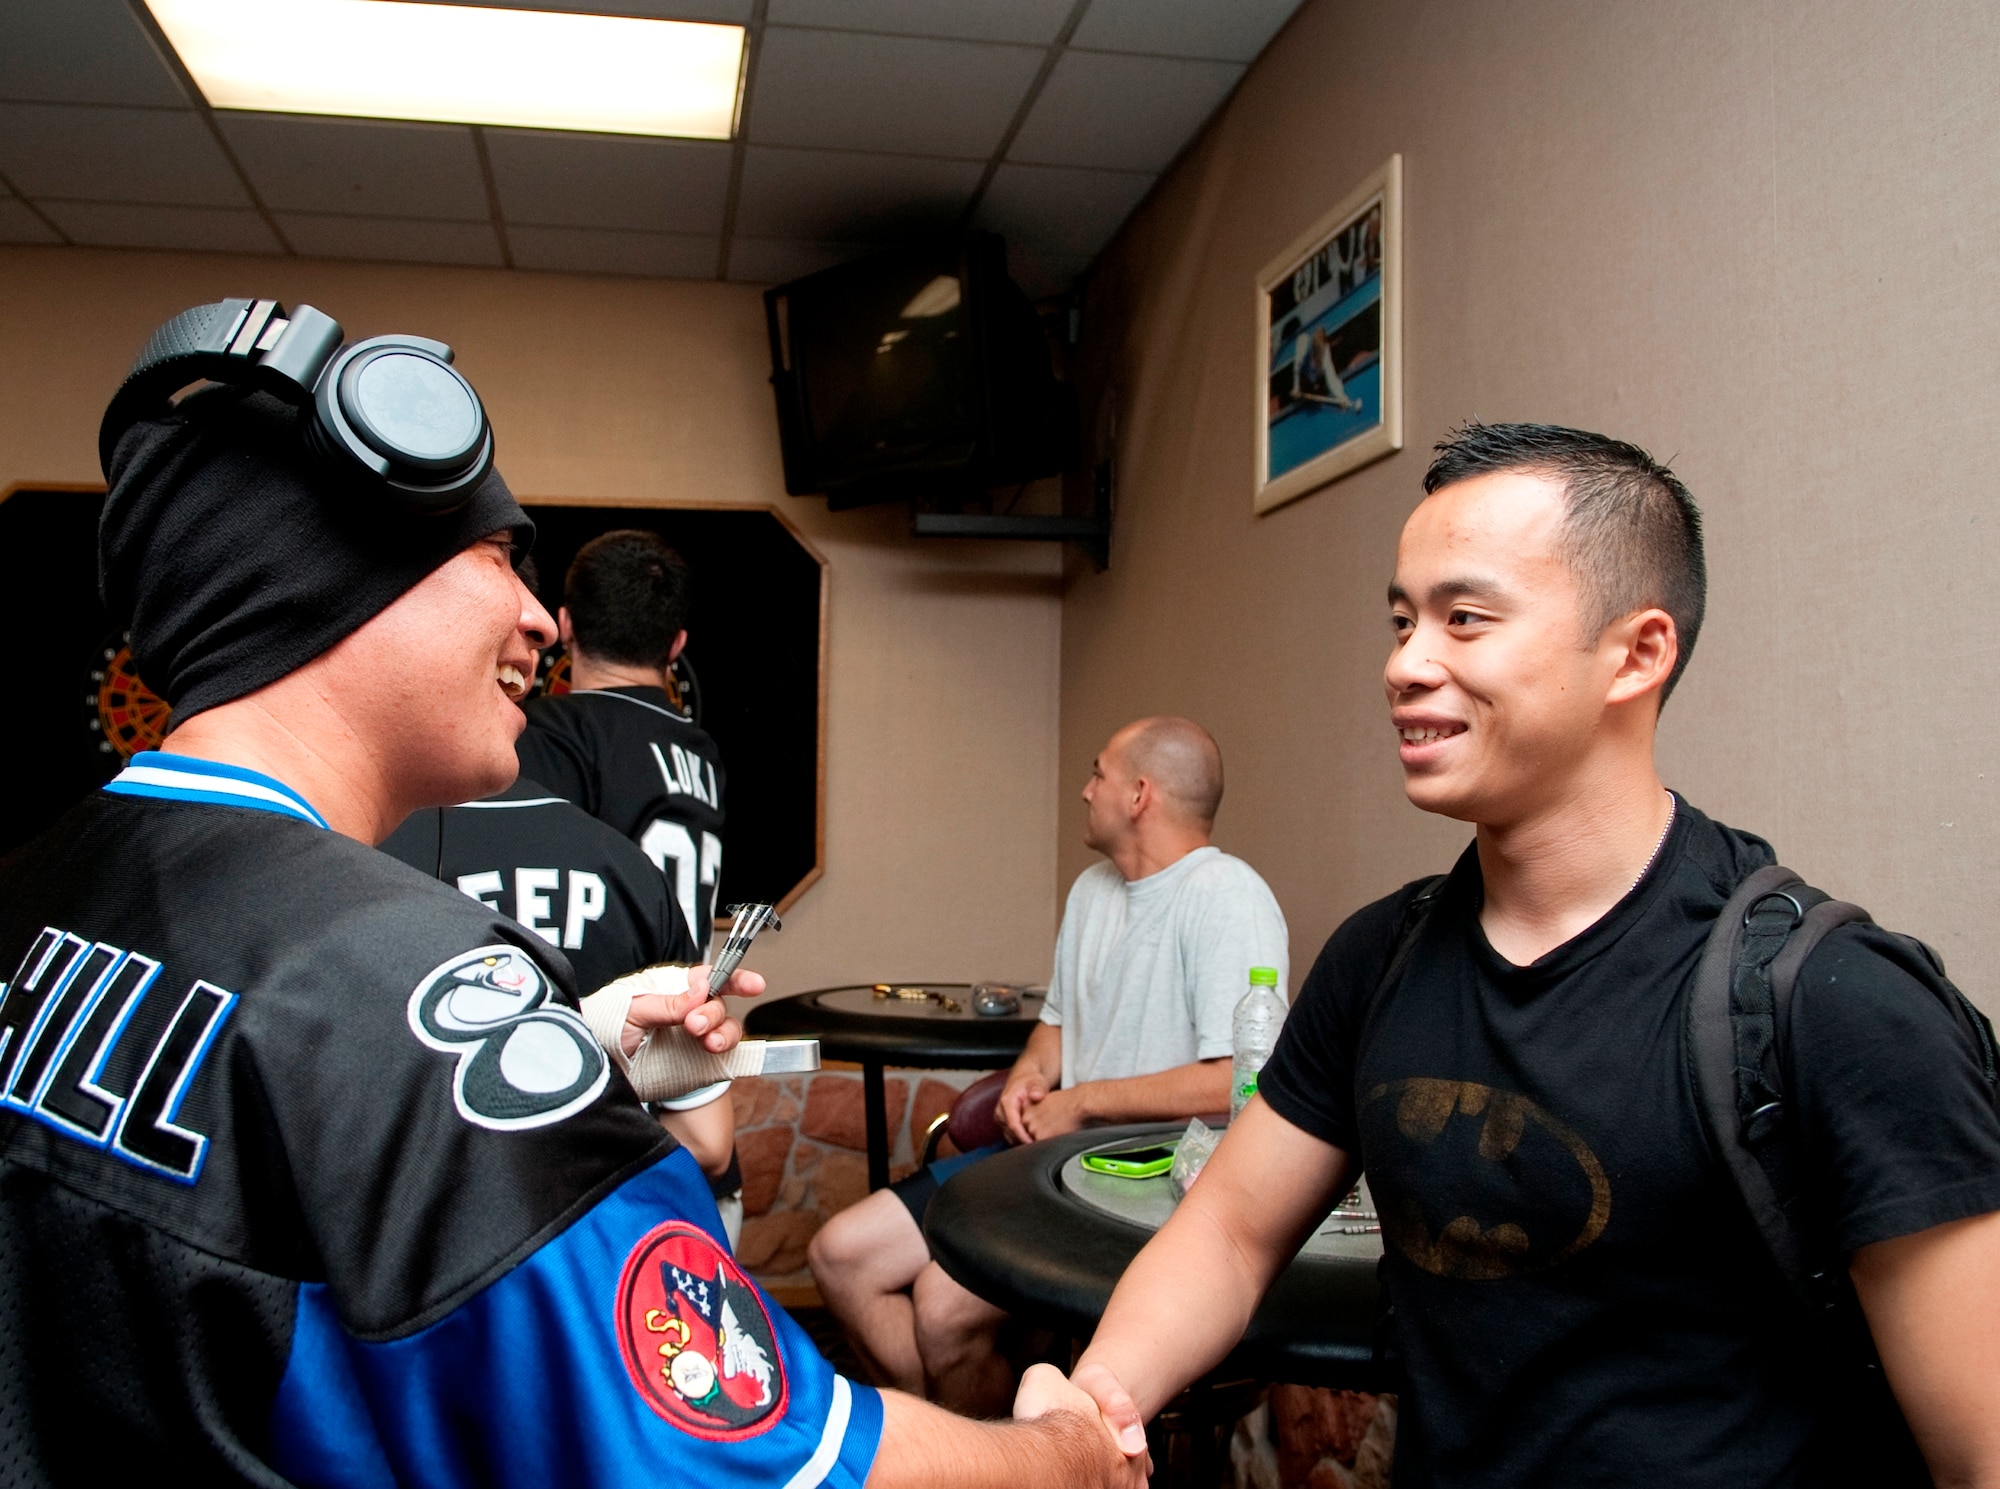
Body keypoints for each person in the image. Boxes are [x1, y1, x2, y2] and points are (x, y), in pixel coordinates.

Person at [0, 313, 1140, 1489]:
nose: (542, 622)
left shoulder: (37, 883)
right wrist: (1071, 1454)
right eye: (499, 558)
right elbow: (762, 1468)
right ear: (346, 581)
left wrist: (575, 1053)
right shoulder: (415, 987)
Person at [1065, 424, 2000, 1486]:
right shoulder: (1380, 956)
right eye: (1401, 620)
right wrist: (1093, 1411)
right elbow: (1229, 1231)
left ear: (1636, 653)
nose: (1404, 664)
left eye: (1463, 619)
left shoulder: (1830, 1003)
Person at [811, 716, 1288, 1417]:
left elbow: (1235, 1083)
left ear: (1139, 796)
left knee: (943, 1310)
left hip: (1143, 1183)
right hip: (1046, 1156)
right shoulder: (1092, 890)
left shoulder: (1228, 897)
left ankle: (975, 1460)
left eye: (1099, 774)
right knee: (840, 1253)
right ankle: (962, 1460)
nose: (1086, 789)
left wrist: (1086, 1102)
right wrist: (1034, 1074)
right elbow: (1056, 1025)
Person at [379, 772, 746, 1243]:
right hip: (597, 1248)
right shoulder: (627, 864)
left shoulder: (361, 858)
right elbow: (708, 1143)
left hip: (431, 1256)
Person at [516, 531, 727, 948]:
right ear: (676, 645)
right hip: (685, 1001)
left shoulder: (545, 732)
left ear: (565, 624)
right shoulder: (702, 752)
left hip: (603, 1007)